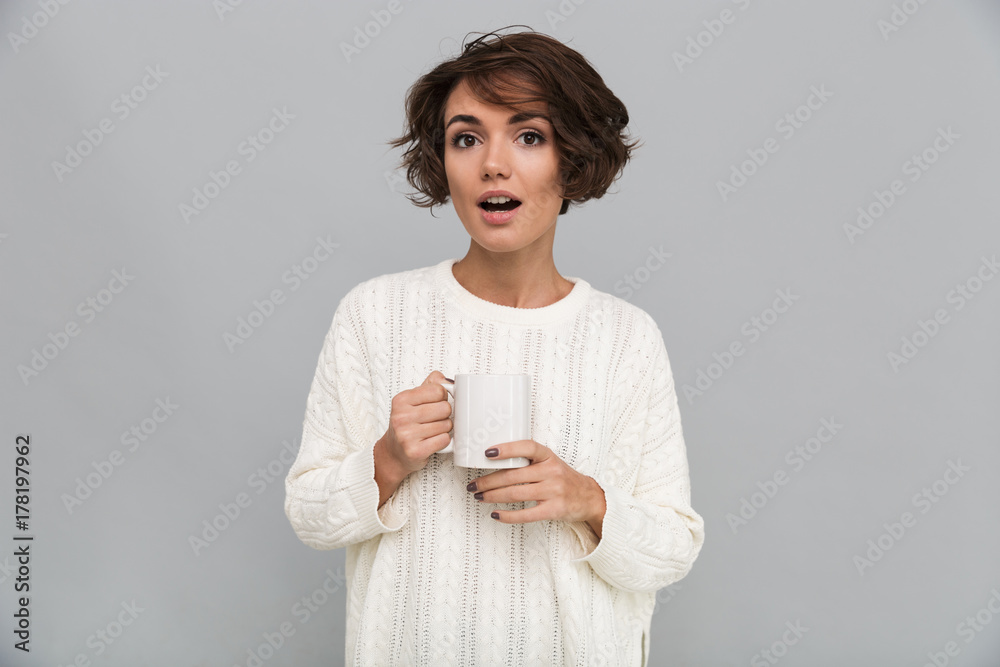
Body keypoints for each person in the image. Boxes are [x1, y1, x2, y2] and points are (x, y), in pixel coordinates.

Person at [284, 26, 705, 666]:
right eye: (466, 137)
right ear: (443, 161)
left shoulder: (626, 339)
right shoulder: (375, 315)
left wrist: (588, 501)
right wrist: (389, 458)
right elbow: (310, 518)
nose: (493, 164)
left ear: (574, 156)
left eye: (529, 135)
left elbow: (673, 548)